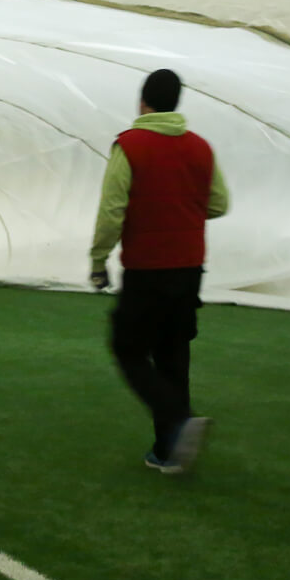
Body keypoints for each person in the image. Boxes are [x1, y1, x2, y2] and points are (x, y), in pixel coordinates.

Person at [88, 69, 230, 474]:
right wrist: (180, 210)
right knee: (173, 355)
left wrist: (98, 261)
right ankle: (168, 452)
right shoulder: (201, 148)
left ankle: (179, 420)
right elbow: (218, 204)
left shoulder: (130, 146)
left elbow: (112, 212)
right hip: (189, 269)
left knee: (128, 349)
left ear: (142, 102)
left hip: (147, 268)